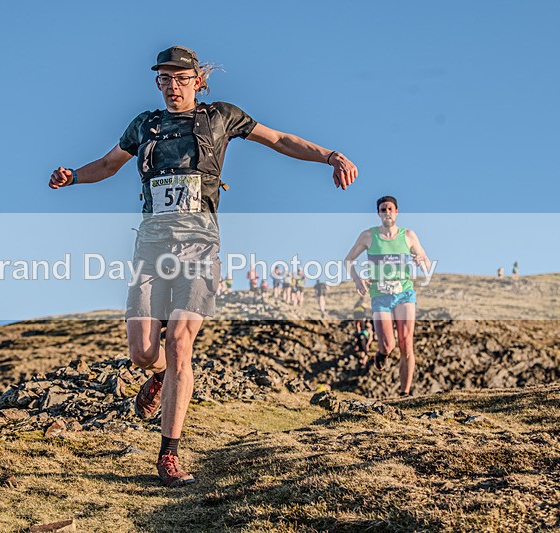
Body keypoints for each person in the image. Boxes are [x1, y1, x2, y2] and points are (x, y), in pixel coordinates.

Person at [49, 45, 358, 486]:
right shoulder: (145, 125)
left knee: (179, 342)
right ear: (158, 83)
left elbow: (280, 140)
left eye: (181, 78)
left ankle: (168, 455)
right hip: (152, 245)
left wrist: (331, 155)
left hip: (198, 245)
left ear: (198, 80)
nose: (173, 86)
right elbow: (107, 164)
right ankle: (158, 379)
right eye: (165, 79)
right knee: (142, 353)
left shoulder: (221, 117)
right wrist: (74, 176)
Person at [344, 196, 430, 397]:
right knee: (388, 345)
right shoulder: (368, 236)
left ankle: (404, 392)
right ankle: (382, 353)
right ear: (378, 214)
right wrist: (357, 280)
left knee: (406, 342)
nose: (387, 212)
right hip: (380, 296)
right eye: (383, 209)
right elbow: (348, 260)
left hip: (404, 293)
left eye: (390, 209)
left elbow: (425, 261)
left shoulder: (408, 235)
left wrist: (421, 260)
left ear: (397, 212)